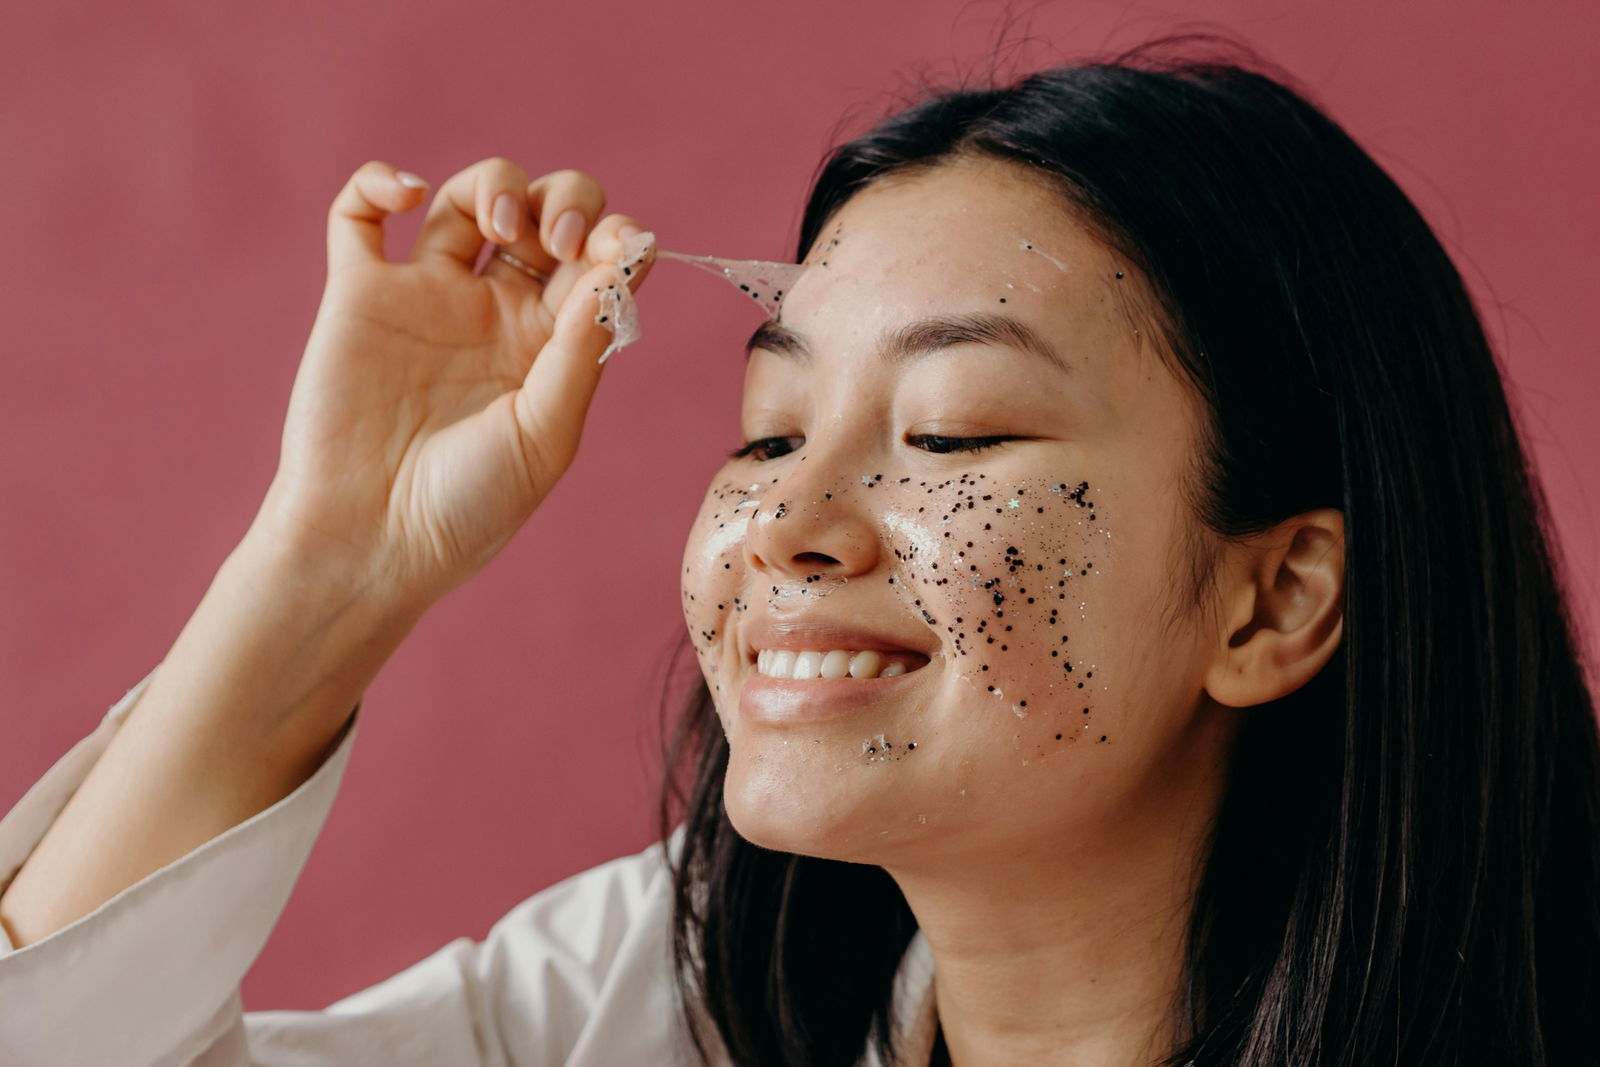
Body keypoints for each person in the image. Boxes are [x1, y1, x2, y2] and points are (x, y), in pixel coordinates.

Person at [2, 32, 1596, 1067]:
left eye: (959, 434)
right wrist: (332, 560)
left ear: (1276, 598)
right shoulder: (652, 1008)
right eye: (768, 434)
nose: (788, 530)